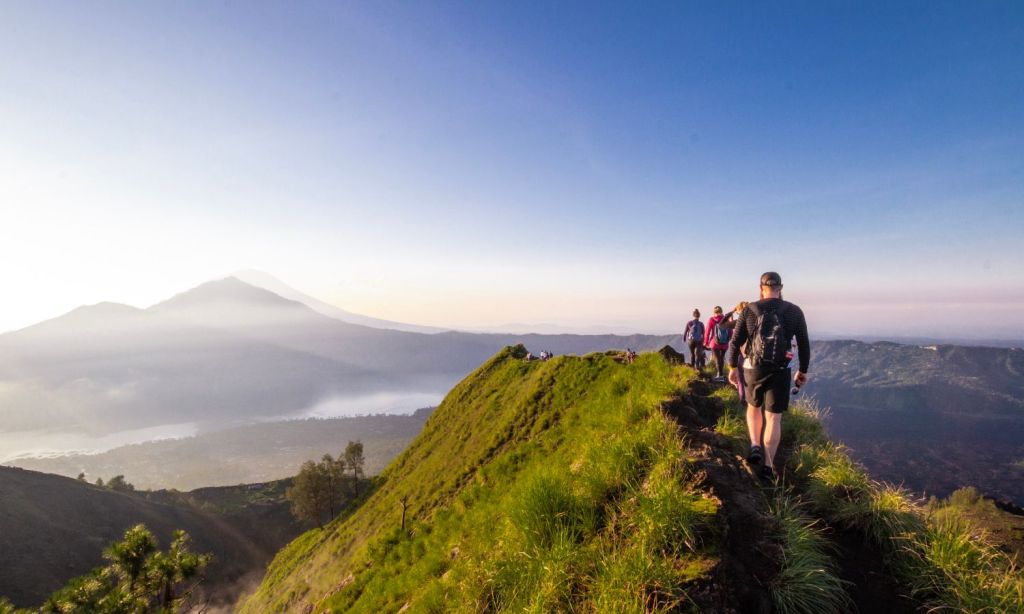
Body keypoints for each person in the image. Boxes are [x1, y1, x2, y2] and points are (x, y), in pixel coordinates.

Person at [728, 272, 810, 481]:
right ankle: (768, 465)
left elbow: (735, 342)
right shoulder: (794, 311)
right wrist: (803, 371)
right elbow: (803, 344)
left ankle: (755, 445)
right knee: (774, 417)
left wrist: (731, 367)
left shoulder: (750, 310)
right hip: (780, 370)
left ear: (761, 287)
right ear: (780, 288)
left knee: (753, 408)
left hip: (752, 368)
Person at [720, 301, 750, 407]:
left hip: (742, 353)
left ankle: (743, 401)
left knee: (741, 378)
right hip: (756, 354)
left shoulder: (738, 322)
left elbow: (721, 324)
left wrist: (730, 312)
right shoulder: (755, 320)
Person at [703, 306, 730, 380]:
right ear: (721, 311)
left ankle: (720, 375)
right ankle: (721, 374)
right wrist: (728, 339)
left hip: (714, 343)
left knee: (717, 359)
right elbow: (730, 330)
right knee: (721, 358)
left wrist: (705, 342)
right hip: (725, 343)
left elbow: (707, 331)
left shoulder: (712, 319)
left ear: (714, 312)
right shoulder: (726, 319)